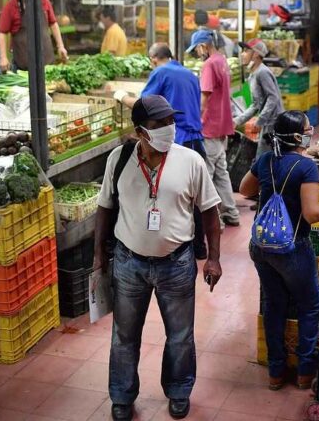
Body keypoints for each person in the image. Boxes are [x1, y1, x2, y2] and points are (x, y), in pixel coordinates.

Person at [93, 95, 223, 421]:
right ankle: (122, 395)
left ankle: (179, 390)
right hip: (128, 263)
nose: (169, 129)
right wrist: (98, 257)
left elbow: (210, 213)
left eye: (170, 121)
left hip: (177, 263)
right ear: (140, 132)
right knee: (124, 336)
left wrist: (214, 258)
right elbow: (104, 208)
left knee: (180, 336)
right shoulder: (119, 159)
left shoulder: (190, 161)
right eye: (158, 125)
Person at [239, 111, 319, 390]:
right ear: (298, 137)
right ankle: (304, 373)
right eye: (309, 129)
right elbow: (311, 215)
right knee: (310, 305)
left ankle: (276, 372)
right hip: (292, 248)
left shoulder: (265, 160)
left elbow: (244, 189)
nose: (313, 132)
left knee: (275, 304)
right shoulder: (306, 166)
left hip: (261, 246)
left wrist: (271, 191)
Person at [113, 43, 208, 258]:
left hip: (178, 140)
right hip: (196, 139)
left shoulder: (161, 72)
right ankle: (199, 248)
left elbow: (142, 105)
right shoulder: (189, 73)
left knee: (171, 198)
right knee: (196, 199)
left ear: (154, 58)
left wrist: (120, 96)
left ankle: (165, 246)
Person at [187, 29, 242, 228]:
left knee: (207, 175)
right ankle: (231, 213)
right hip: (223, 126)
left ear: (203, 45)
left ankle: (214, 222)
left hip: (209, 126)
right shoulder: (222, 60)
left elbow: (205, 96)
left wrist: (197, 120)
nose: (197, 53)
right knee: (221, 172)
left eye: (197, 49)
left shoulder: (209, 64)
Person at [233, 39, 285, 158]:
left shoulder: (262, 72)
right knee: (266, 160)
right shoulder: (254, 73)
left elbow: (273, 97)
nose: (242, 54)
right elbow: (256, 104)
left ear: (256, 54)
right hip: (268, 122)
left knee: (262, 160)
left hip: (273, 123)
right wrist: (238, 120)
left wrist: (260, 120)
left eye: (246, 51)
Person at [0, 0, 67, 72]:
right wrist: (3, 57)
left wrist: (61, 46)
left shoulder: (44, 2)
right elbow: (2, 32)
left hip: (48, 65)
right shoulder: (11, 6)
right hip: (24, 68)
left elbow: (53, 24)